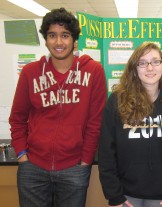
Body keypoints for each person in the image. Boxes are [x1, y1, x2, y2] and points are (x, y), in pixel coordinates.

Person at [9, 8, 107, 207]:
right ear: (45, 40)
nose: (59, 42)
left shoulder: (93, 71)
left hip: (74, 168)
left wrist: (86, 161)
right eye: (52, 35)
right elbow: (17, 118)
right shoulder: (30, 72)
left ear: (74, 40)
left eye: (65, 35)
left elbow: (95, 121)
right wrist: (22, 156)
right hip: (33, 168)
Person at [98, 42, 162, 207]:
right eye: (142, 63)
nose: (150, 68)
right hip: (126, 196)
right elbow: (106, 151)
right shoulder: (117, 102)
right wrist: (114, 194)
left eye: (155, 61)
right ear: (134, 69)